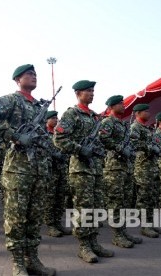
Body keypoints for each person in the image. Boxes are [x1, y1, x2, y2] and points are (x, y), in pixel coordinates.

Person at [0, 64, 55, 275]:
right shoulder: (10, 100)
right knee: (16, 219)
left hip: (39, 169)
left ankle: (32, 259)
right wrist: (15, 135)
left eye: (35, 74)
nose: (33, 77)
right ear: (17, 79)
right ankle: (18, 264)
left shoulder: (38, 106)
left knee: (34, 218)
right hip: (18, 170)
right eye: (28, 74)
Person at [54, 80, 113, 263]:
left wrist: (99, 150)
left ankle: (94, 242)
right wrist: (80, 149)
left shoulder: (95, 117)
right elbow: (59, 138)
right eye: (88, 91)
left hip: (95, 169)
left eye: (93, 91)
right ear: (78, 93)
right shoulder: (72, 114)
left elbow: (101, 142)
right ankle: (83, 246)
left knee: (97, 207)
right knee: (84, 209)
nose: (92, 94)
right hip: (80, 170)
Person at [100, 95, 143, 247]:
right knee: (115, 202)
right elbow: (102, 138)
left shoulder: (124, 124)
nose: (123, 105)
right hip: (114, 168)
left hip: (126, 167)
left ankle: (123, 231)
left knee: (125, 201)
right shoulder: (107, 122)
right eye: (120, 103)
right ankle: (116, 234)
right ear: (112, 106)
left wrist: (129, 151)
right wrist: (119, 148)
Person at [130, 103, 161, 238]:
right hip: (142, 168)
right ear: (138, 113)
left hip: (152, 167)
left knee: (152, 197)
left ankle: (150, 223)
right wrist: (150, 148)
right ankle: (145, 226)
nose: (149, 113)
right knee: (144, 198)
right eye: (145, 111)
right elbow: (133, 143)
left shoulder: (148, 128)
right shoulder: (135, 127)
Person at [43, 110, 72, 238]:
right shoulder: (43, 134)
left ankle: (58, 222)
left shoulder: (59, 134)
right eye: (53, 118)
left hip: (61, 169)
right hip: (50, 170)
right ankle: (50, 225)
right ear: (47, 120)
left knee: (60, 197)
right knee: (50, 198)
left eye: (57, 118)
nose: (56, 120)